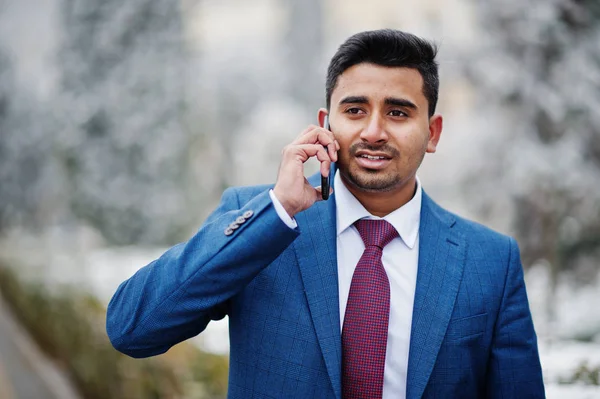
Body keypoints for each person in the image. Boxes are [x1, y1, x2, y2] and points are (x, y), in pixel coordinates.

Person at [106, 29, 545, 399]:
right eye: (355, 110)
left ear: (431, 132)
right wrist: (278, 208)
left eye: (398, 112)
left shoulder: (490, 261)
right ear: (325, 123)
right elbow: (132, 328)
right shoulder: (260, 222)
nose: (373, 131)